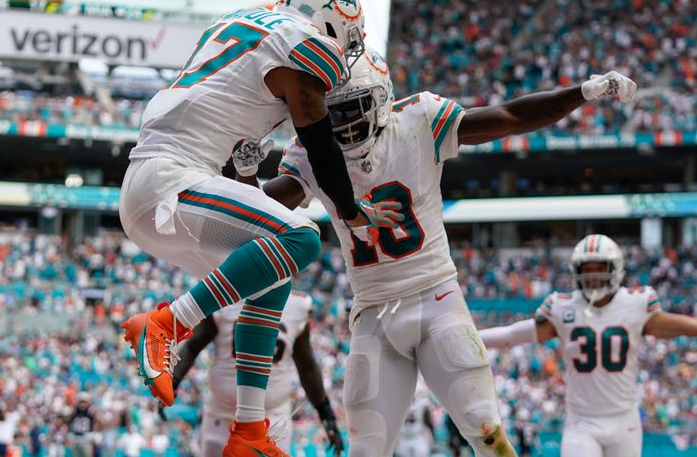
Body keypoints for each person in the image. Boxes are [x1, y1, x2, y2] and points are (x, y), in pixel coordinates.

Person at [231, 47, 637, 456]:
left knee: (486, 431)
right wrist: (245, 171)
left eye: (353, 109)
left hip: (436, 297)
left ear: (381, 99)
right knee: (366, 448)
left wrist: (580, 93)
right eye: (332, 114)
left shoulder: (418, 120)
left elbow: (511, 117)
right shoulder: (310, 152)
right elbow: (260, 213)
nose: (344, 124)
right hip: (372, 313)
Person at [119, 0, 387, 457]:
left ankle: (248, 431)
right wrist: (351, 212)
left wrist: (247, 162)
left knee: (274, 275)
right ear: (329, 22)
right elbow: (319, 144)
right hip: (170, 180)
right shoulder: (302, 41)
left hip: (156, 182)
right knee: (302, 239)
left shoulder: (240, 22)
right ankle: (166, 323)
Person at [478, 234, 697, 457]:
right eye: (587, 269)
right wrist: (473, 338)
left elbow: (671, 325)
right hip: (582, 421)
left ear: (615, 268)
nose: (593, 277)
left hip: (625, 420)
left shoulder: (636, 303)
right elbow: (513, 334)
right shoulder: (562, 307)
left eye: (599, 268)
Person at [172, 291, 344, 456]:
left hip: (271, 417)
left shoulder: (297, 304)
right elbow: (193, 346)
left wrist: (325, 412)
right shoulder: (224, 294)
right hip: (221, 413)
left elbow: (306, 366)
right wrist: (174, 380)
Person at [395, 392, 434, 457]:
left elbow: (428, 421)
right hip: (404, 438)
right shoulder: (398, 404)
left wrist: (431, 435)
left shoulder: (422, 403)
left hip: (418, 437)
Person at [68, 393, 97, 457]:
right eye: (81, 402)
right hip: (76, 437)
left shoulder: (90, 411)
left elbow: (97, 422)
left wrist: (93, 433)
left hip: (86, 437)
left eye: (84, 402)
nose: (82, 404)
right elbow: (69, 422)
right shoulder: (74, 411)